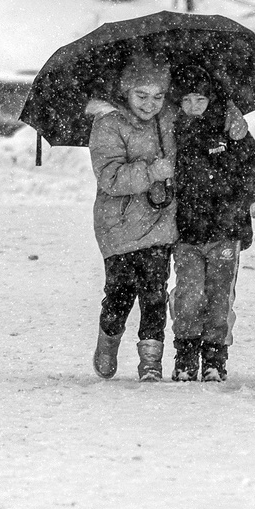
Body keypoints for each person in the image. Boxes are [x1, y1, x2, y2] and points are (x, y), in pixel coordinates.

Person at [168, 65, 255, 383]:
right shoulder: (171, 132)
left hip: (226, 230)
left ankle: (215, 356)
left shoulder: (232, 129)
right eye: (186, 101)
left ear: (211, 99)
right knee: (188, 294)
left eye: (199, 100)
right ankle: (186, 353)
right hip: (185, 230)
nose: (193, 107)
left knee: (220, 296)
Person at [87, 52, 178, 383]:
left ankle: (151, 360)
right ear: (125, 91)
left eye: (158, 96)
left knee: (155, 291)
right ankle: (108, 340)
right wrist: (153, 171)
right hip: (120, 225)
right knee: (120, 292)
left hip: (160, 221)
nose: (150, 104)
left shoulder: (170, 119)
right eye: (141, 95)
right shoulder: (108, 124)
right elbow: (110, 178)